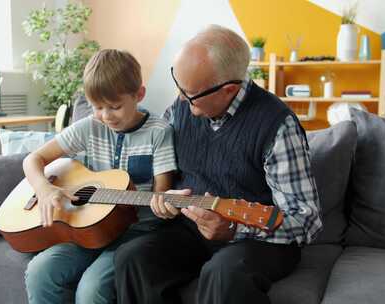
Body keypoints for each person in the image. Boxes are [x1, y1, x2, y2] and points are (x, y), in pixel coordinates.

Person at [114, 25, 323, 304]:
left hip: (259, 240)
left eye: (189, 94)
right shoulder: (180, 108)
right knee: (132, 258)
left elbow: (306, 219)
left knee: (223, 274)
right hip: (191, 229)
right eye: (178, 86)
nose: (179, 99)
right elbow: (158, 166)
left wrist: (235, 230)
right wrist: (163, 196)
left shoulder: (277, 125)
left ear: (229, 90)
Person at [23, 49, 177, 304]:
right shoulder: (90, 127)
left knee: (91, 290)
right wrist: (44, 188)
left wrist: (164, 206)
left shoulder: (159, 132)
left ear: (139, 94)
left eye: (115, 107)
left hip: (134, 233)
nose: (106, 116)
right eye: (97, 107)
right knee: (40, 272)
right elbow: (33, 160)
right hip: (87, 228)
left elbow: (161, 195)